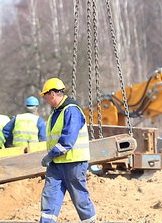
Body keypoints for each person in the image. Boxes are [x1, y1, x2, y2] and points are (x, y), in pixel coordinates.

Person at [39, 78, 95, 223]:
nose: (45, 100)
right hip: (57, 164)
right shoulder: (56, 112)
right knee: (50, 196)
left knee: (80, 198)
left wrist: (49, 156)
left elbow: (67, 141)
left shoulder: (71, 110)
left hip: (74, 163)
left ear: (52, 93)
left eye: (45, 96)